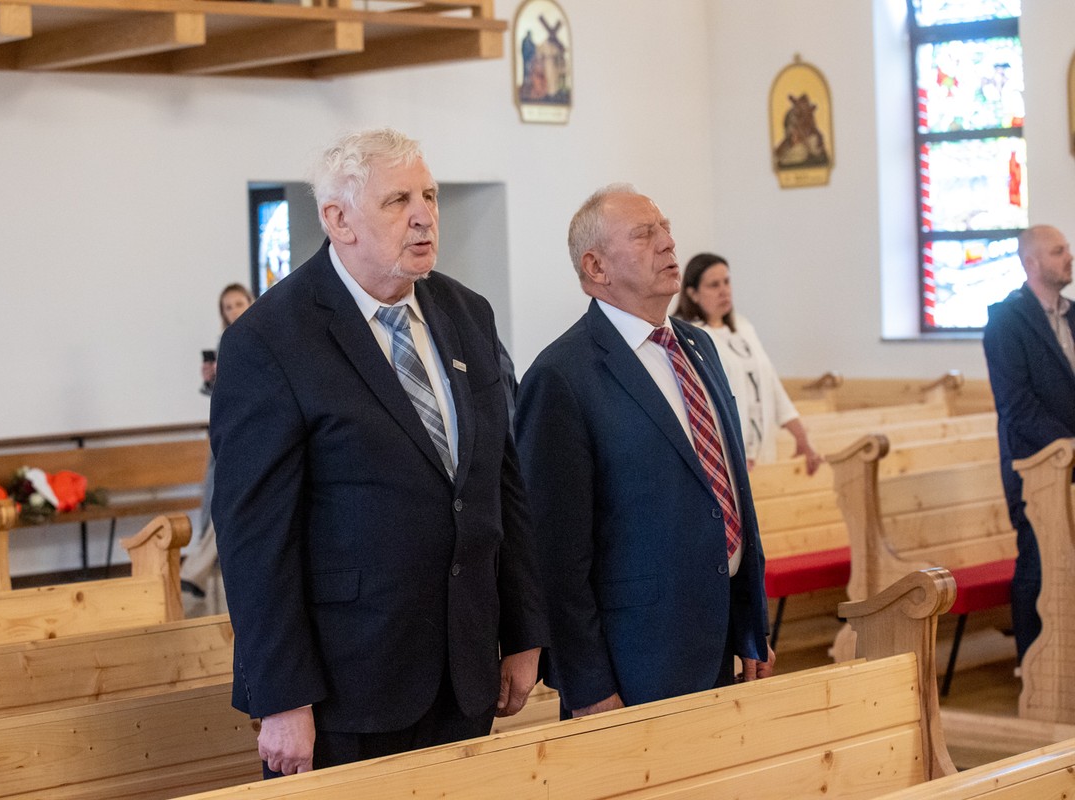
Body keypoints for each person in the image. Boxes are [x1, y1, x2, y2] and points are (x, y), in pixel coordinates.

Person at [210, 128, 548, 777]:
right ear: (338, 220)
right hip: (346, 687)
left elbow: (500, 484)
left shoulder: (467, 313)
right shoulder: (270, 339)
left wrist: (524, 630)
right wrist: (282, 698)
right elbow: (255, 539)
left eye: (429, 195)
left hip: (465, 668)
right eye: (398, 200)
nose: (424, 216)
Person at [514, 184, 774, 719]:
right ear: (596, 267)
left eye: (666, 228)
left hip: (718, 637)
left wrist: (751, 626)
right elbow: (555, 554)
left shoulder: (697, 345)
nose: (668, 243)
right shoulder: (562, 375)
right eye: (644, 234)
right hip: (634, 658)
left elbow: (728, 491)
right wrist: (586, 685)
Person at [983, 224, 1075, 663]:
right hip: (1034, 465)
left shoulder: (1072, 315)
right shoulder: (1006, 321)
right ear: (1031, 262)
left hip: (1070, 460)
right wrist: (1069, 446)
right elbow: (1016, 405)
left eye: (1067, 249)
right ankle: (1031, 665)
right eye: (1058, 251)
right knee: (1037, 563)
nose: (1069, 257)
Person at [674, 252, 822, 475]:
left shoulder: (744, 328)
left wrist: (801, 437)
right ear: (692, 294)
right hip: (726, 457)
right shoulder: (688, 336)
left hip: (762, 451)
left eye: (727, 281)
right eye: (714, 285)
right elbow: (699, 404)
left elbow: (771, 384)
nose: (724, 290)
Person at [181, 283, 254, 614]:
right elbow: (225, 395)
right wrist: (212, 379)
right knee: (217, 503)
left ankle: (194, 572)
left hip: (251, 433)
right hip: (227, 432)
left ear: (250, 302)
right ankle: (198, 576)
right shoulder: (225, 341)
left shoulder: (260, 335)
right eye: (228, 307)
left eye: (239, 303)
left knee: (229, 508)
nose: (234, 310)